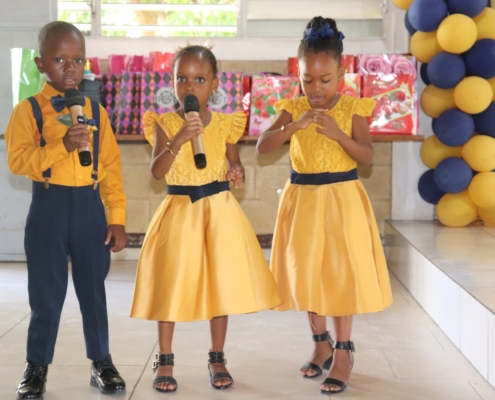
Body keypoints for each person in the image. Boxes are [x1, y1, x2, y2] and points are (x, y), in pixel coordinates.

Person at [130, 43, 282, 393]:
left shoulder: (226, 124)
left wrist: (237, 172)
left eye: (199, 80)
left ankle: (217, 356)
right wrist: (179, 139)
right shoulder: (165, 123)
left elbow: (234, 162)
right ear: (172, 82)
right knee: (170, 284)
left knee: (219, 284)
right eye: (181, 79)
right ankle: (164, 358)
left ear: (214, 84)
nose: (189, 87)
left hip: (218, 212)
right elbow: (157, 171)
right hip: (180, 212)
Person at [256, 16, 393, 395]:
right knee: (308, 272)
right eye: (307, 80)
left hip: (341, 200)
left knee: (339, 273)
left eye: (325, 80)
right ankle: (321, 344)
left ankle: (344, 351)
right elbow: (262, 146)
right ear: (298, 75)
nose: (316, 89)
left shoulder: (352, 108)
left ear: (341, 73)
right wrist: (293, 126)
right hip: (303, 201)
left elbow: (366, 156)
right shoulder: (293, 107)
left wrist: (338, 134)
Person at [5, 21, 127, 399]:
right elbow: (18, 160)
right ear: (41, 64)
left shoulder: (96, 111)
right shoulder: (27, 111)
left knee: (93, 291)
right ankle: (36, 365)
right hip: (49, 209)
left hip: (89, 209)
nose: (69, 68)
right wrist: (62, 146)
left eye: (77, 60)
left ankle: (101, 361)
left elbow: (110, 168)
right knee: (46, 293)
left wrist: (117, 218)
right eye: (59, 60)